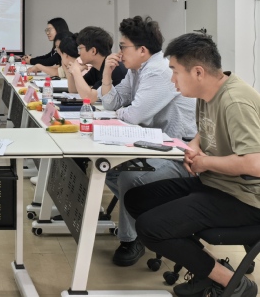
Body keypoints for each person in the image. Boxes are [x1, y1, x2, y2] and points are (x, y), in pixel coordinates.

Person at [126, 34, 260, 297]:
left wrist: (205, 161)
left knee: (150, 228)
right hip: (215, 184)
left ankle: (232, 283)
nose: (172, 80)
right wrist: (195, 145)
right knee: (137, 199)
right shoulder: (207, 92)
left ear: (198, 72)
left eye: (175, 71)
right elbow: (208, 129)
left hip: (246, 198)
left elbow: (255, 163)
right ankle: (207, 269)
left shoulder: (235, 101)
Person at [99, 16, 197, 267]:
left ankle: (131, 239)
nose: (119, 52)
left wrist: (121, 112)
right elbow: (112, 103)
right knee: (109, 170)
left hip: (182, 151)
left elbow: (134, 116)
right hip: (157, 144)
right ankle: (147, 220)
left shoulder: (158, 70)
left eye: (123, 47)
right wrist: (107, 75)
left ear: (142, 50)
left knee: (129, 178)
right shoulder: (137, 70)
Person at [64, 26, 128, 101]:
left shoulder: (113, 68)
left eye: (80, 48)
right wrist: (72, 72)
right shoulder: (96, 68)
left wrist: (76, 72)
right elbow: (74, 90)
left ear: (93, 51)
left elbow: (89, 98)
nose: (79, 52)